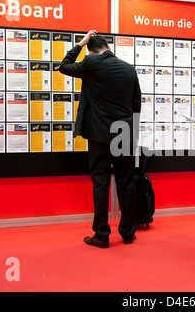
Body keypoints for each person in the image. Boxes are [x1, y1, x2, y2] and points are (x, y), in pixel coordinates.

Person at [59, 30, 141, 248]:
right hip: (124, 133)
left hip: (98, 134)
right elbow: (136, 105)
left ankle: (102, 235)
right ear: (109, 48)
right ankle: (128, 233)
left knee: (101, 183)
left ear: (90, 50)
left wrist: (80, 43)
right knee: (126, 182)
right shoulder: (129, 69)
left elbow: (64, 66)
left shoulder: (90, 63)